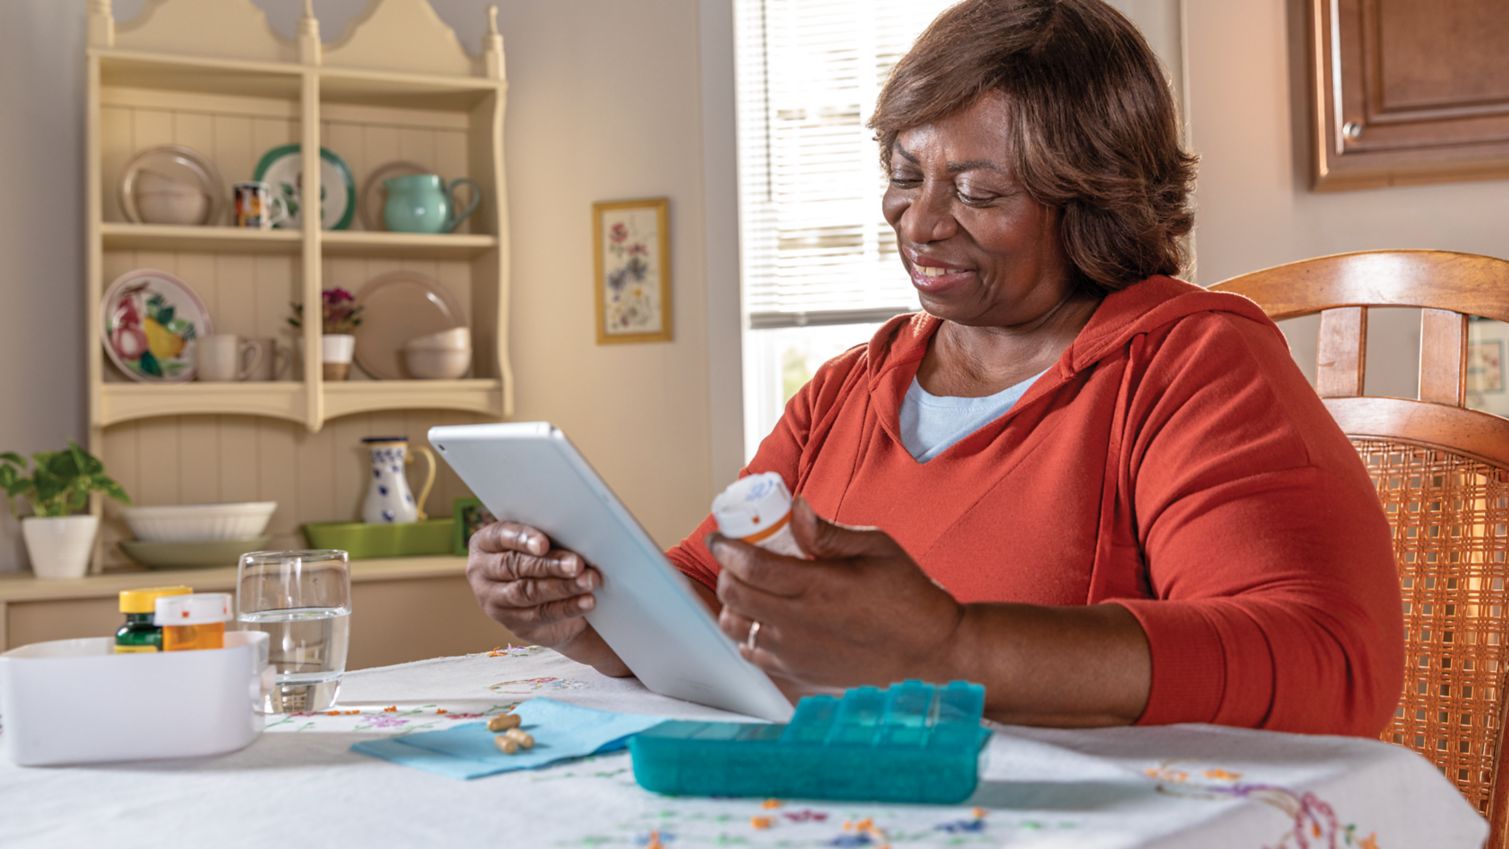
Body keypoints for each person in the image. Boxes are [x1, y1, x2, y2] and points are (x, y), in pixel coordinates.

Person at [466, 0, 1404, 735]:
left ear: (1096, 196)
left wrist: (952, 643)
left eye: (978, 190)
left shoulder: (1187, 364)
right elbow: (712, 594)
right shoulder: (851, 387)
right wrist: (582, 610)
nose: (920, 222)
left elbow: (1329, 658)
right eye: (905, 175)